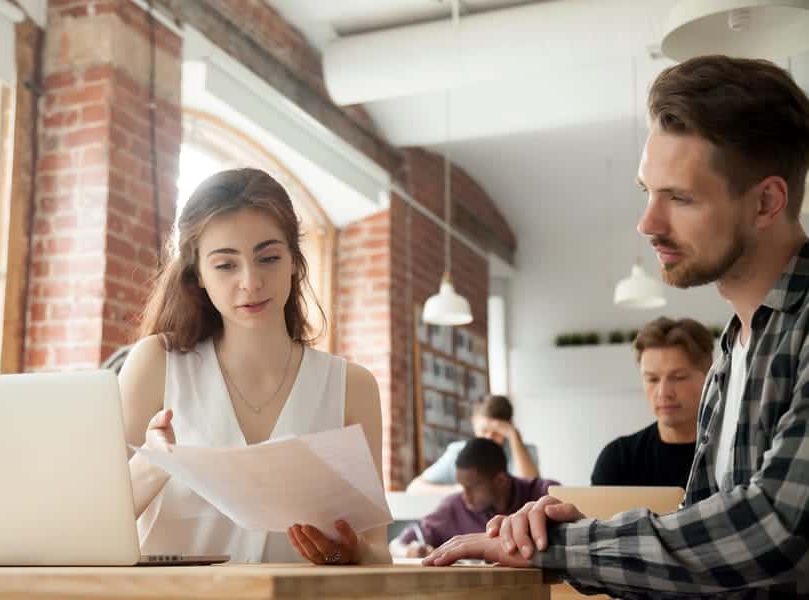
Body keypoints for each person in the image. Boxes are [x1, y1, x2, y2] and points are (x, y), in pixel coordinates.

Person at [422, 56, 809, 597]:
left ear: (766, 201)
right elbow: (708, 541)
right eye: (646, 191)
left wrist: (565, 547)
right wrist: (579, 534)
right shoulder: (733, 346)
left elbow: (775, 529)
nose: (647, 222)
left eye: (679, 197)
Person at [120, 168, 390, 565]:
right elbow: (95, 526)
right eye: (226, 265)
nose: (251, 282)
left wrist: (352, 553)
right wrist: (152, 462)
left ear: (295, 262)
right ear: (198, 276)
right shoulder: (156, 364)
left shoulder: (352, 385)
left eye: (268, 258)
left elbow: (378, 553)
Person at [591, 316, 713, 488]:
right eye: (652, 379)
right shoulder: (618, 458)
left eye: (678, 377)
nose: (663, 393)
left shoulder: (730, 453)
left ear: (709, 377)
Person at [391, 438, 557, 558]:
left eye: (471, 487)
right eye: (462, 487)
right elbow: (395, 545)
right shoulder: (453, 507)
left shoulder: (545, 492)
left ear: (500, 480)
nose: (465, 496)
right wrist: (409, 551)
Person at [407, 394, 539, 495]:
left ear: (508, 426)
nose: (489, 438)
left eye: (497, 432)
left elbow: (531, 490)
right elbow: (414, 488)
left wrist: (513, 435)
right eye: (484, 430)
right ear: (474, 424)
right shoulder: (459, 452)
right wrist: (458, 490)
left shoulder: (523, 452)